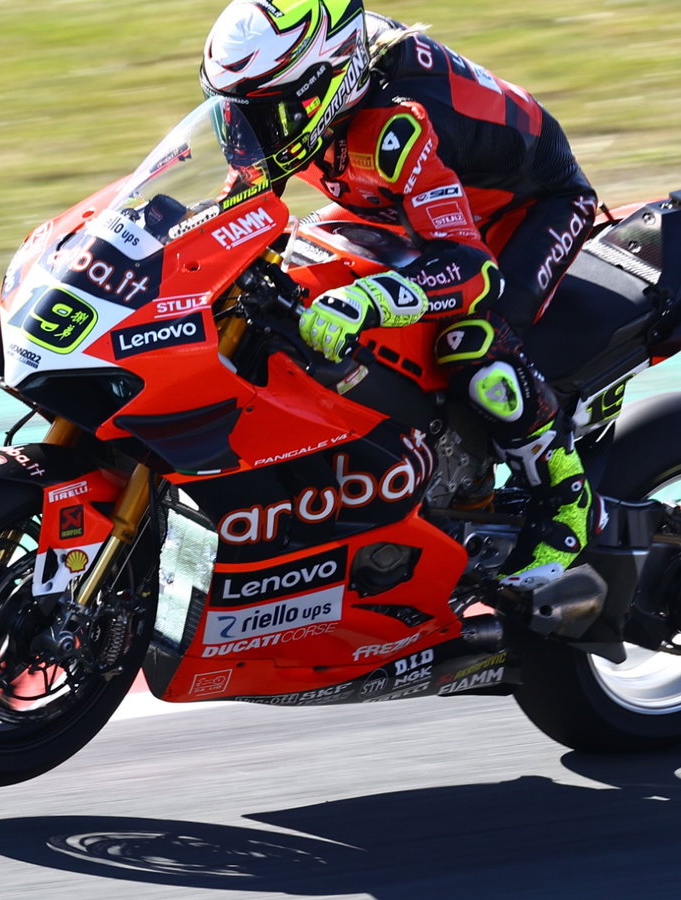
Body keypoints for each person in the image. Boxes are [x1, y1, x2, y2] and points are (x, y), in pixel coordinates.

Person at [199, 0, 601, 591]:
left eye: (260, 113)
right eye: (230, 110)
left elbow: (470, 269)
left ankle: (566, 500)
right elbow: (239, 212)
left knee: (474, 339)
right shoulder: (303, 108)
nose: (242, 131)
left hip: (527, 208)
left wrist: (367, 302)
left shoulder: (395, 127)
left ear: (325, 88)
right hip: (409, 203)